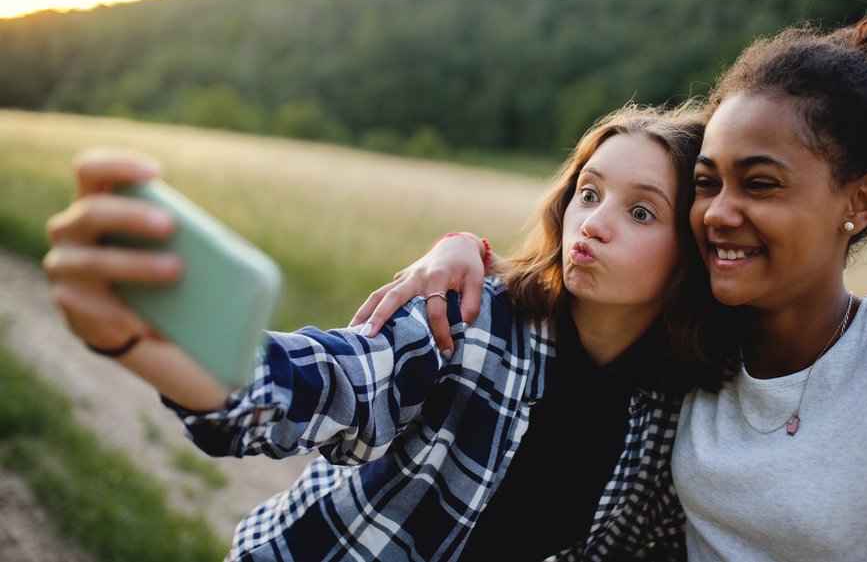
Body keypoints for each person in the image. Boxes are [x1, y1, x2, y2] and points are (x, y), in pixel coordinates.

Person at [353, 5, 867, 560]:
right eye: (708, 181)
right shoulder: (691, 348)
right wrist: (463, 249)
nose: (718, 211)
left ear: (858, 202)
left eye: (761, 183)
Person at [43, 104, 736, 561]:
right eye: (589, 191)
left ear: (692, 249)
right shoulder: (475, 318)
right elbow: (336, 382)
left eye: (642, 212)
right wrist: (150, 344)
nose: (596, 222)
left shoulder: (673, 418)